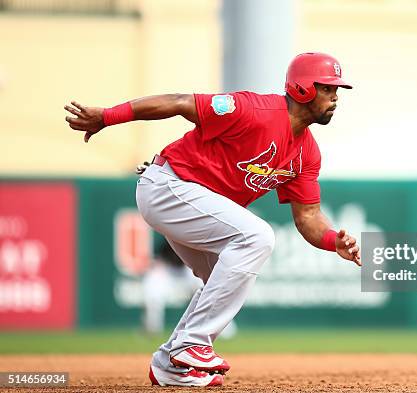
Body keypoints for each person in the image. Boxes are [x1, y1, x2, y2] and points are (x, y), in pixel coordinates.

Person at [64, 52, 361, 387]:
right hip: (169, 184)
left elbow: (308, 216)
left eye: (337, 90)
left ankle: (169, 363)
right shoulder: (254, 110)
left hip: (193, 200)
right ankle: (193, 343)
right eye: (328, 88)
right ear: (303, 89)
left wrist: (331, 239)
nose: (336, 96)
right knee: (258, 237)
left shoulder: (307, 152)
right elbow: (179, 102)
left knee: (218, 275)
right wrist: (108, 116)